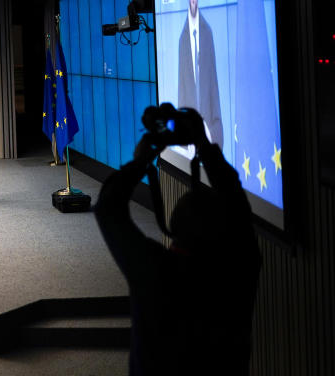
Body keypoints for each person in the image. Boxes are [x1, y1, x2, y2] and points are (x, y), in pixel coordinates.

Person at [95, 105, 261, 375]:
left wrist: (141, 161)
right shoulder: (239, 269)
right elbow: (238, 206)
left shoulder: (154, 270)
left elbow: (107, 209)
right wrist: (203, 145)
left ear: (173, 228)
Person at [177, 0, 223, 148]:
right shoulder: (182, 39)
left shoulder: (208, 33)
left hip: (210, 140)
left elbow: (214, 94)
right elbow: (182, 91)